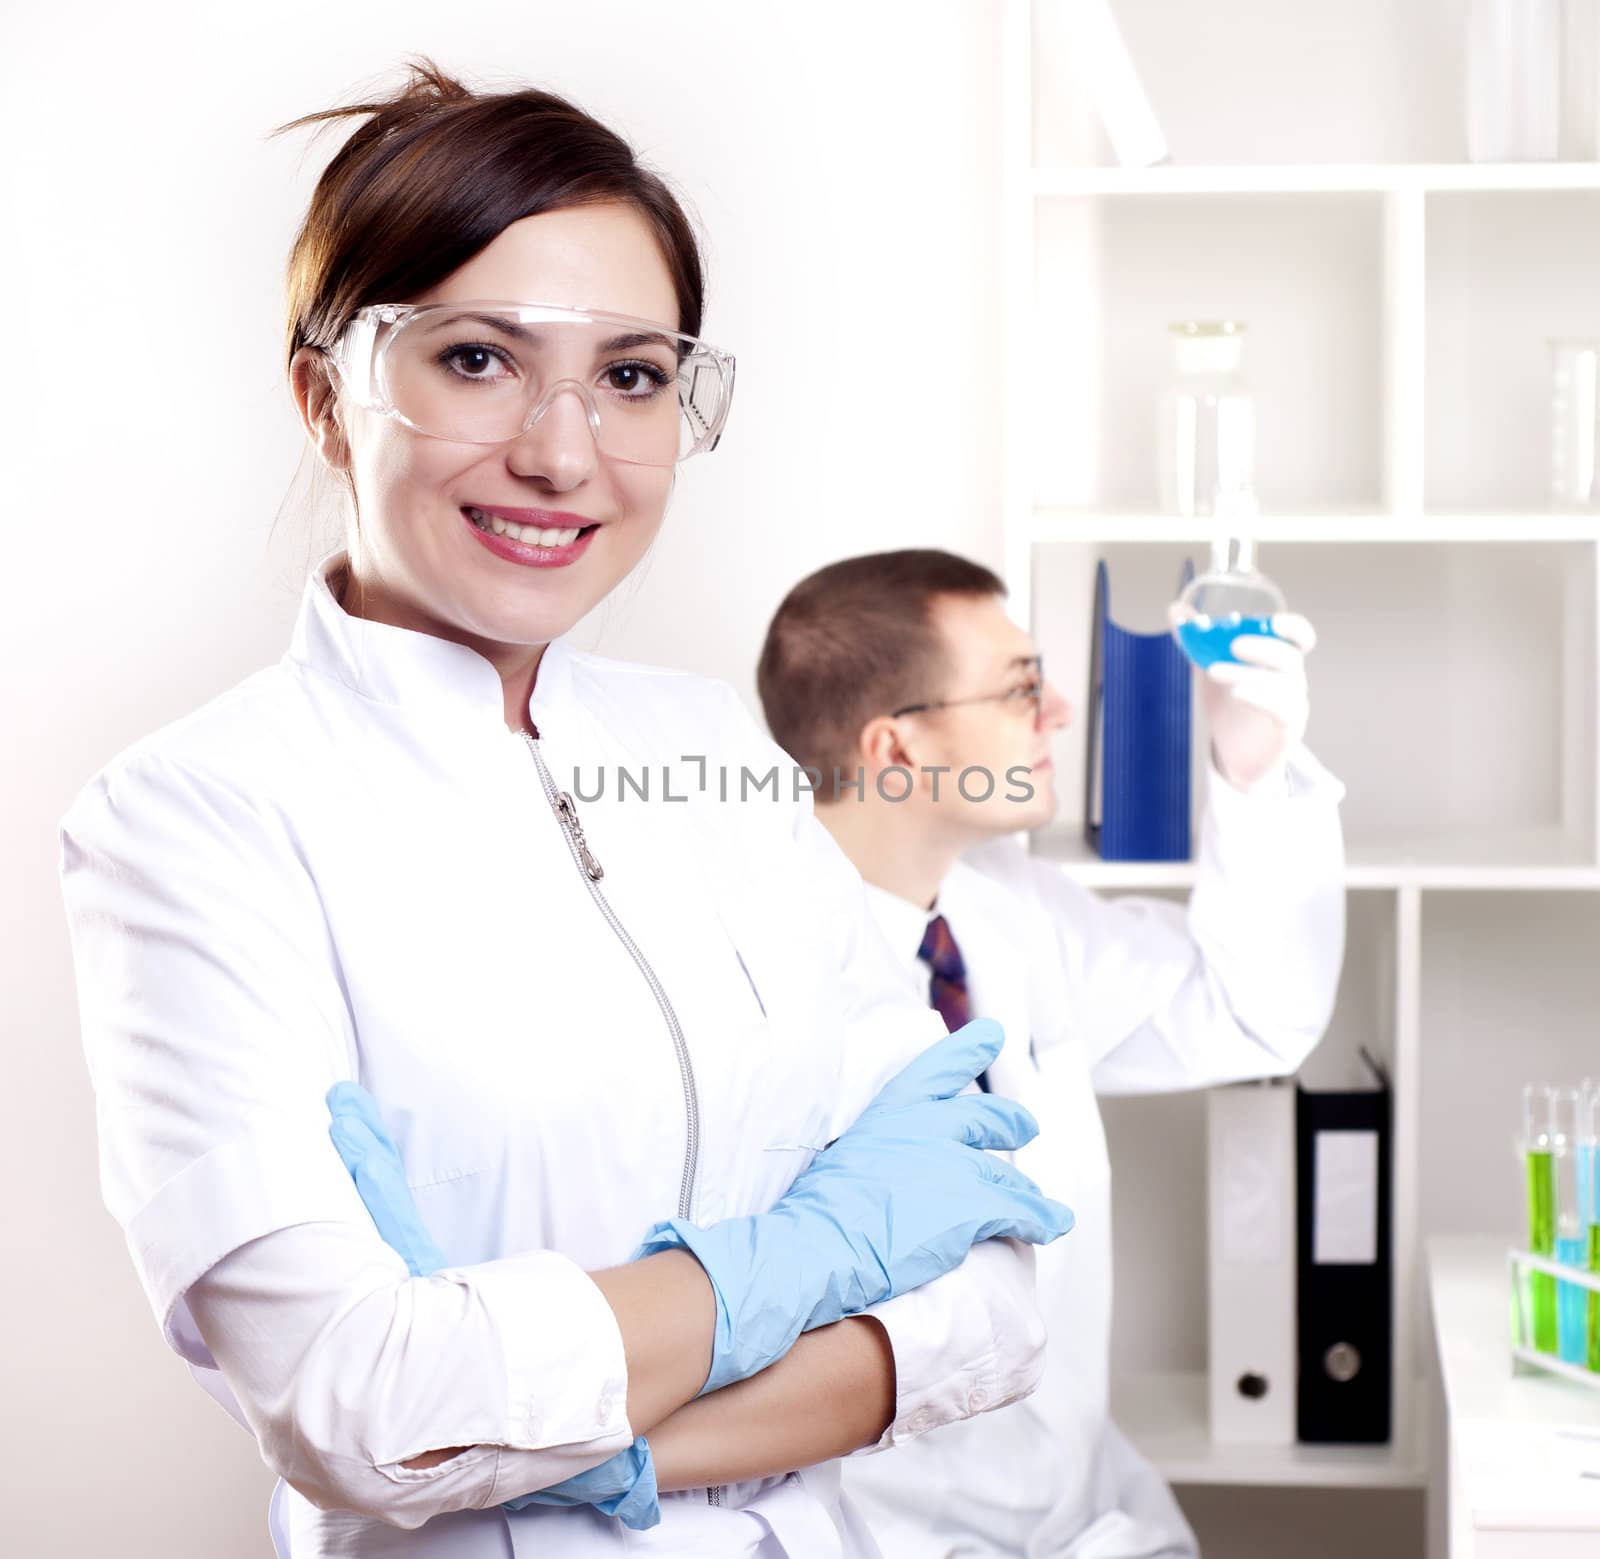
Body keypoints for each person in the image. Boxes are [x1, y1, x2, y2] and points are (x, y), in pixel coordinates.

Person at [56, 69, 1075, 1559]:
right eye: (476, 358)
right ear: (325, 392)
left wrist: (537, 1428)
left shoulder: (713, 749)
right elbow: (358, 1408)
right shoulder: (192, 820)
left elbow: (991, 1298)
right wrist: (814, 1251)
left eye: (633, 374)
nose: (562, 450)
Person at [756, 549, 1347, 1558]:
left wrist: (1249, 777)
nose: (1061, 709)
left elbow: (1253, 1014)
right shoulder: (753, 988)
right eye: (1021, 686)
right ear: (894, 746)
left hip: (1080, 1512)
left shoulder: (1005, 910)